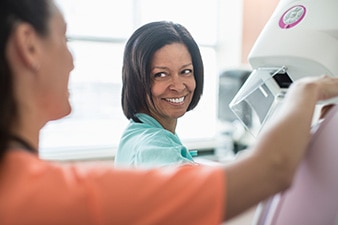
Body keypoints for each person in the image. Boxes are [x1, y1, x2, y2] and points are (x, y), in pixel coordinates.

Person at [1, 0, 338, 224]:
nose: (73, 60)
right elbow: (271, 169)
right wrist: (307, 91)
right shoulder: (147, 146)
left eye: (186, 71)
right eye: (63, 39)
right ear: (29, 46)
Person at [114, 21, 203, 168]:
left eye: (185, 71)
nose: (178, 86)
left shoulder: (137, 133)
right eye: (161, 74)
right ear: (137, 80)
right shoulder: (151, 146)